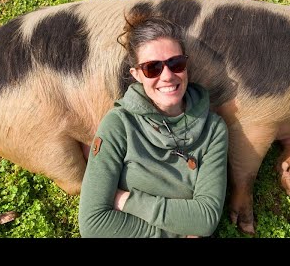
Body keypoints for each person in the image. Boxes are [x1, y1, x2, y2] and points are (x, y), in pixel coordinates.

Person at [78, 13, 229, 238]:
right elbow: (93, 224)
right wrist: (177, 231)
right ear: (137, 74)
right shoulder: (118, 125)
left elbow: (205, 219)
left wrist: (125, 199)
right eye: (152, 68)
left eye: (176, 63)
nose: (167, 76)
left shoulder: (214, 130)